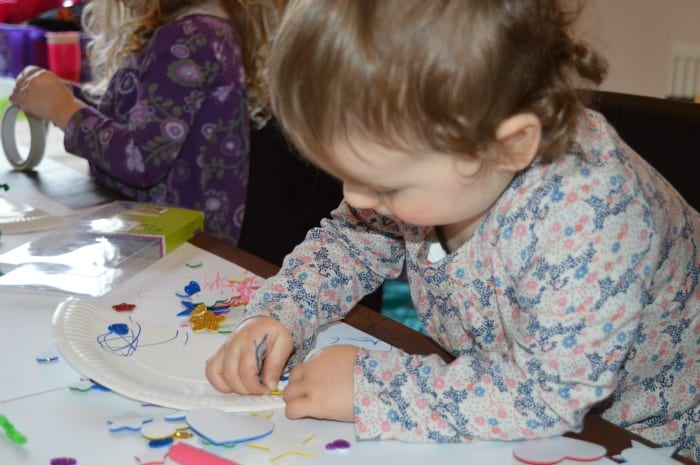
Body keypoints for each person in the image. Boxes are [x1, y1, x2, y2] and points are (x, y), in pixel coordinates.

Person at [205, 0, 700, 460]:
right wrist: (279, 313)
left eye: (385, 184)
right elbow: (351, 241)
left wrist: (371, 388)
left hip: (648, 433)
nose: (355, 198)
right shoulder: (448, 153)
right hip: (519, 395)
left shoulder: (593, 212)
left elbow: (549, 394)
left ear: (510, 146)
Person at [9, 0, 273, 245]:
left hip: (177, 245)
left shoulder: (190, 37)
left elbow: (141, 159)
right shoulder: (201, 29)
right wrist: (68, 99)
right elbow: (147, 120)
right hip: (169, 235)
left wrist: (64, 109)